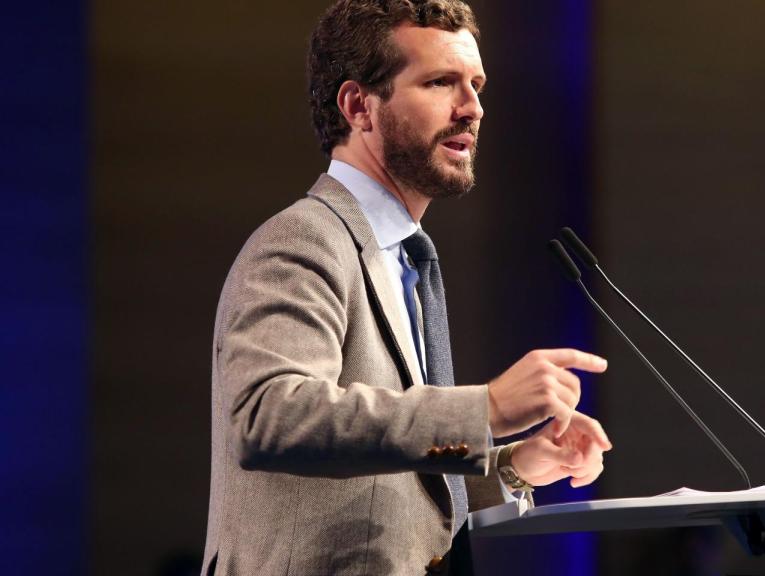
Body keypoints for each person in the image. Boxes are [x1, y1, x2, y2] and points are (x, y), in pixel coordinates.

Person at [201, 1, 612, 574]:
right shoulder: (302, 241)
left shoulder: (403, 258)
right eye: (441, 82)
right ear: (358, 107)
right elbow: (270, 417)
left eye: (476, 85)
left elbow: (389, 483)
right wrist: (485, 408)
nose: (472, 108)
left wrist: (513, 466)